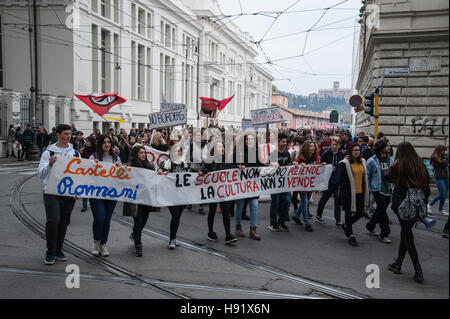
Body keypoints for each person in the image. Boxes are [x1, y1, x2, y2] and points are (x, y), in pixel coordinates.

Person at [386, 142, 430, 284]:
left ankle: (418, 269)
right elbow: (427, 187)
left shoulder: (399, 165)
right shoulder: (421, 165)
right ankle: (398, 262)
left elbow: (387, 177)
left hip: (403, 205)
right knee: (405, 232)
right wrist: (423, 202)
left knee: (407, 235)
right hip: (417, 205)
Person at [37, 124, 80, 265]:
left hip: (68, 192)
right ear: (58, 135)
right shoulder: (48, 152)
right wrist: (49, 164)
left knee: (63, 222)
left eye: (70, 134)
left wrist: (77, 190)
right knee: (53, 220)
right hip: (51, 191)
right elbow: (40, 174)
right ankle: (50, 251)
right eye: (66, 133)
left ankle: (58, 249)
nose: (68, 136)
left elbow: (80, 173)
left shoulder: (74, 152)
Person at [89, 135, 123, 257]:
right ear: (100, 144)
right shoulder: (94, 157)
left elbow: (121, 175)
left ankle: (103, 244)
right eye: (104, 142)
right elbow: (86, 173)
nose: (107, 144)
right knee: (99, 218)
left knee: (107, 220)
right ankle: (96, 241)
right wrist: (92, 165)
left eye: (109, 142)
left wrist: (121, 168)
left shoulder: (116, 158)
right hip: (96, 193)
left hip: (111, 193)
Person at [201, 141, 238, 245]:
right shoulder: (210, 160)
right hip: (213, 190)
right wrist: (203, 172)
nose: (222, 148)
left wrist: (239, 168)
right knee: (212, 210)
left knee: (225, 211)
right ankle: (210, 232)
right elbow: (205, 170)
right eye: (219, 146)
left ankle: (228, 235)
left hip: (223, 190)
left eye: (223, 146)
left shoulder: (227, 159)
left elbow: (233, 169)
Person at [158, 140, 189, 249]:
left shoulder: (185, 164)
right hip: (170, 195)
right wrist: (162, 171)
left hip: (182, 195)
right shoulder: (166, 163)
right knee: (175, 215)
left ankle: (173, 237)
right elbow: (159, 169)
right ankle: (172, 239)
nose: (177, 153)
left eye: (179, 151)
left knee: (177, 217)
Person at [338, 142, 370, 246]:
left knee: (360, 213)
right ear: (350, 151)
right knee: (348, 213)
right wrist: (345, 195)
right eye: (354, 150)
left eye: (358, 150)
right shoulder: (345, 163)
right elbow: (342, 181)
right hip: (349, 193)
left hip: (360, 192)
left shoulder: (363, 162)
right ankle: (351, 235)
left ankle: (346, 225)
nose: (356, 152)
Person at [128, 146, 158, 257]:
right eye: (141, 153)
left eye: (144, 153)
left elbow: (154, 178)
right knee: (138, 221)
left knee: (144, 221)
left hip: (147, 198)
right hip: (136, 199)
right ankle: (138, 245)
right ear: (136, 154)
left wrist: (158, 172)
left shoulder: (149, 165)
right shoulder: (131, 166)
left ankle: (135, 234)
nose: (143, 155)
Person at [365, 138, 394, 243]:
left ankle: (370, 225)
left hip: (388, 189)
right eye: (387, 146)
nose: (389, 147)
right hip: (377, 189)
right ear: (381, 147)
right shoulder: (372, 161)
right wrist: (367, 189)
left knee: (379, 211)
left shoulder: (390, 160)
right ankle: (385, 233)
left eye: (389, 145)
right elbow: (367, 176)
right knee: (383, 212)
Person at [235, 132, 262, 240]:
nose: (249, 141)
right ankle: (238, 228)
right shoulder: (238, 153)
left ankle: (253, 230)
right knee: (240, 206)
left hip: (252, 185)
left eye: (251, 139)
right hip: (241, 185)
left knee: (254, 205)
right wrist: (238, 166)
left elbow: (261, 164)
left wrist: (271, 165)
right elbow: (230, 166)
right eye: (247, 139)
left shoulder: (256, 153)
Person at [292, 140, 321, 232]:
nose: (312, 148)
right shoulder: (300, 156)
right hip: (302, 182)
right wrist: (298, 164)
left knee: (306, 201)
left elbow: (318, 167)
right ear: (306, 147)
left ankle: (296, 216)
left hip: (311, 183)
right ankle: (307, 222)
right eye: (310, 146)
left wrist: (322, 165)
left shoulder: (316, 157)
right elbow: (294, 164)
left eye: (313, 146)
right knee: (305, 201)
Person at [316, 136, 344, 226]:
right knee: (324, 199)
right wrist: (324, 164)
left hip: (338, 181)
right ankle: (318, 215)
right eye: (333, 144)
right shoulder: (326, 153)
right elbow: (321, 164)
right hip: (328, 181)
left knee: (338, 201)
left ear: (339, 145)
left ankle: (338, 220)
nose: (334, 146)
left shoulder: (341, 155)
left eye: (336, 145)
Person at [268, 133, 292, 232]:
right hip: (275, 183)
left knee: (286, 201)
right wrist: (272, 164)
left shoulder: (287, 153)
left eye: (285, 142)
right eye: (282, 142)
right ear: (278, 142)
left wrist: (293, 164)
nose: (284, 143)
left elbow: (289, 165)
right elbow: (267, 167)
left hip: (285, 183)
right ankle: (273, 223)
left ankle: (281, 222)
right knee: (275, 203)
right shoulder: (273, 153)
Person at [428, 146, 449, 216]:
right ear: (440, 151)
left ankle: (441, 209)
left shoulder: (443, 157)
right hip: (439, 177)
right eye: (444, 150)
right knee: (442, 194)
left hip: (446, 177)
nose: (445, 151)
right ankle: (429, 205)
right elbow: (445, 163)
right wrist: (446, 156)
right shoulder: (435, 157)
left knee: (444, 195)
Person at [79, 136, 96, 212]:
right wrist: (81, 153)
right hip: (85, 171)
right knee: (85, 187)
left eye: (88, 141)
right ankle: (84, 205)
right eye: (86, 141)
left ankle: (93, 203)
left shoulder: (95, 151)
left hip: (94, 172)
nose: (86, 143)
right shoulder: (84, 150)